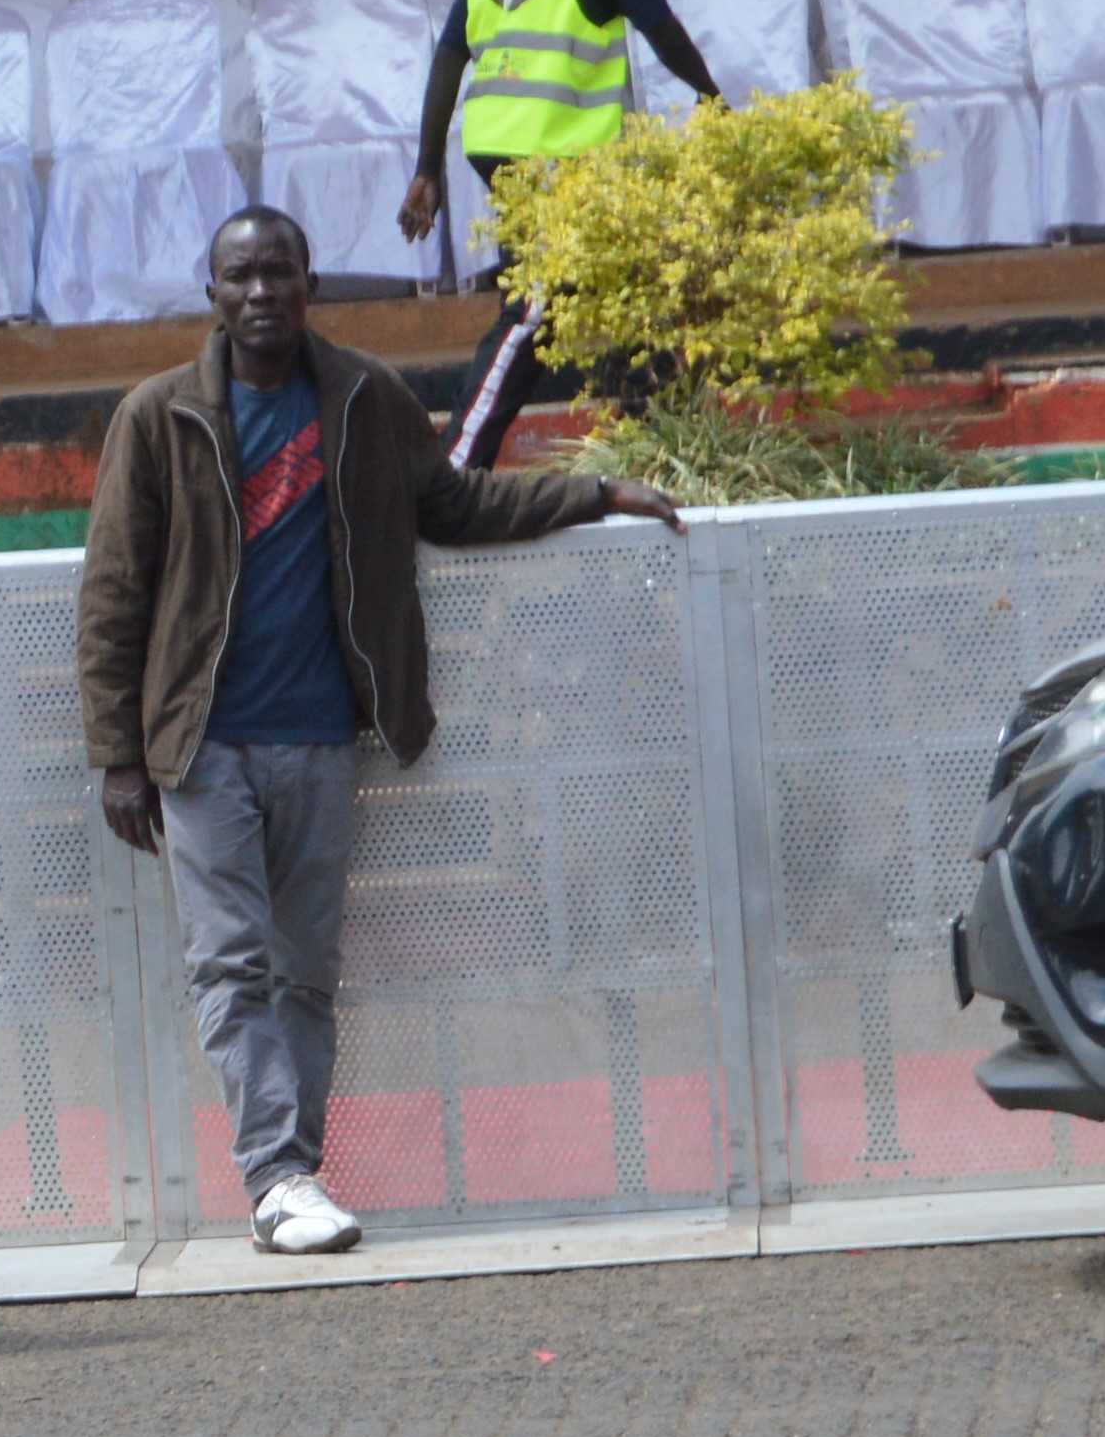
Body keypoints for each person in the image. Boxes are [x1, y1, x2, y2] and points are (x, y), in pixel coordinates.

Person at [79, 208, 685, 1256]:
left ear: (311, 282)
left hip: (319, 734)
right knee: (230, 963)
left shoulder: (362, 395)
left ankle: (291, 1182)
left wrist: (595, 495)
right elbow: (114, 592)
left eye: (279, 272)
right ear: (212, 293)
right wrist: (117, 754)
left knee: (306, 969)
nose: (261, 291)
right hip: (200, 743)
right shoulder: (158, 415)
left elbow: (452, 504)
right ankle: (276, 1175)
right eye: (240, 276)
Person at [396, 0, 723, 470]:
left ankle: (661, 439)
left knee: (636, 288)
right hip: (553, 150)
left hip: (505, 144)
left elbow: (450, 54)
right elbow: (659, 25)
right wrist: (710, 95)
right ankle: (452, 467)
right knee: (532, 311)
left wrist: (428, 166)